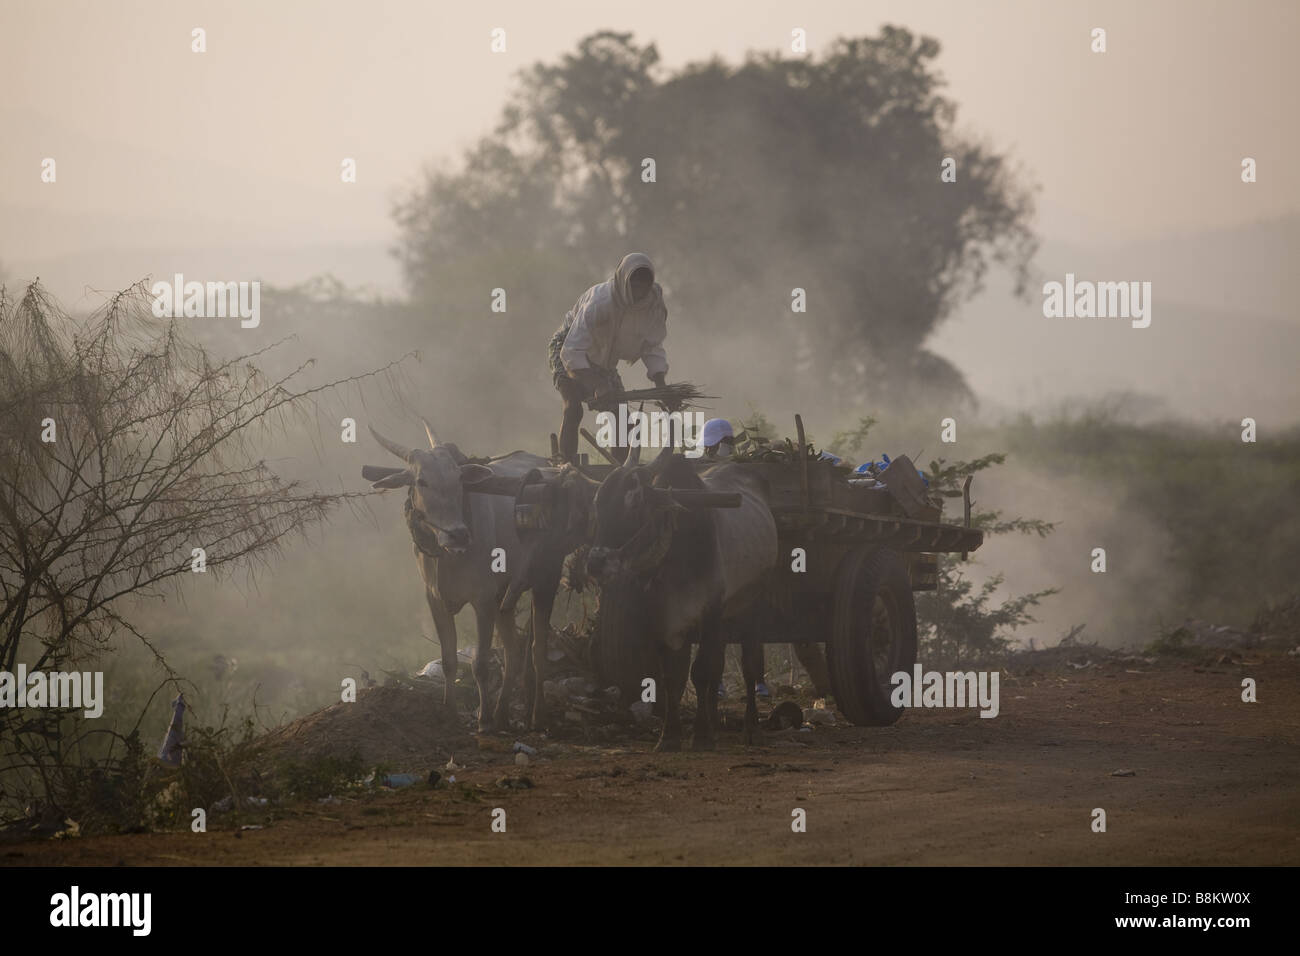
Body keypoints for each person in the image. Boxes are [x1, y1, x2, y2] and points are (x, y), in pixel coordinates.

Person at [548, 252, 671, 463]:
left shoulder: (652, 305)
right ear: (624, 281)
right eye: (635, 285)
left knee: (622, 417)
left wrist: (662, 385)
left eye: (644, 286)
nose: (639, 291)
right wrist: (596, 384)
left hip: (604, 361)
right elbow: (571, 352)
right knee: (573, 407)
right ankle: (565, 465)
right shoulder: (601, 301)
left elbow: (652, 346)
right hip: (568, 348)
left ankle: (620, 471)